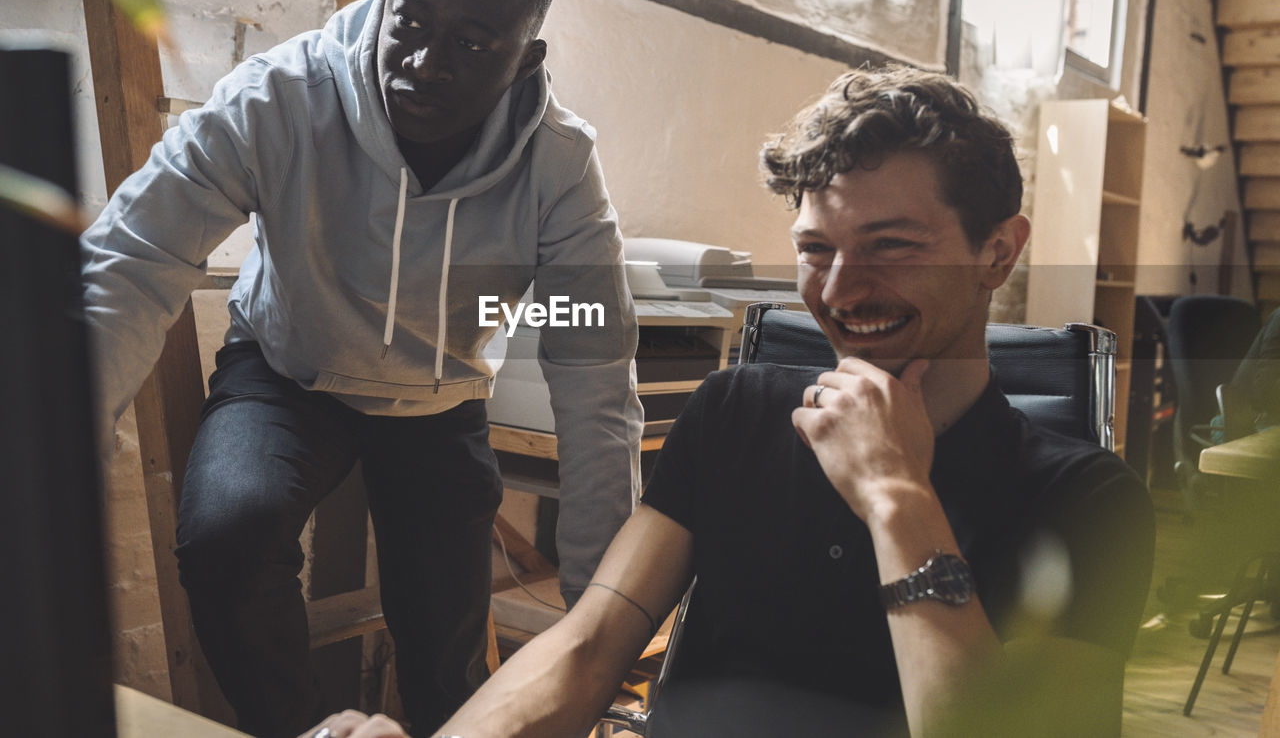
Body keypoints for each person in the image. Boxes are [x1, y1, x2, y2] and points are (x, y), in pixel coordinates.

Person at [298, 67, 1157, 738]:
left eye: (892, 246)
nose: (843, 288)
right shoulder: (736, 409)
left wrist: (898, 499)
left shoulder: (1089, 500)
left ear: (999, 251)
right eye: (816, 248)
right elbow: (591, 644)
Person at [80, 0, 642, 738]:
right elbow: (133, 257)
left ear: (527, 59)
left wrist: (604, 618)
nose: (420, 60)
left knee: (449, 657)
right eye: (408, 19)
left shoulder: (560, 167)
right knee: (225, 536)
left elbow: (592, 372)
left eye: (471, 45)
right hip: (285, 372)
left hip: (439, 394)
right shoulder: (280, 99)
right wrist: (45, 460)